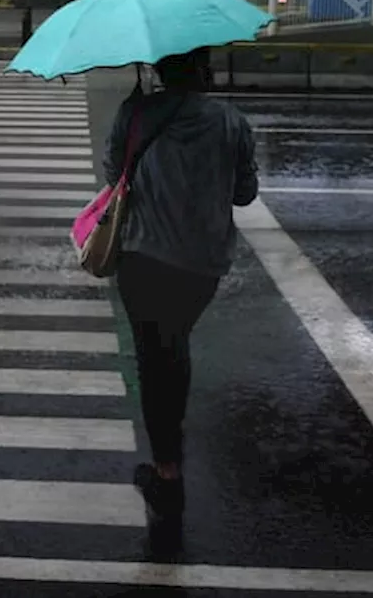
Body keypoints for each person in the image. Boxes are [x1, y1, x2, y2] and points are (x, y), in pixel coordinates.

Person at [102, 47, 259, 534]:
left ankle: (167, 472)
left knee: (154, 358)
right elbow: (244, 194)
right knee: (175, 347)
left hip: (144, 258)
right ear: (201, 67)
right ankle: (170, 463)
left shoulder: (137, 112)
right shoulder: (231, 121)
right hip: (202, 264)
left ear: (158, 68)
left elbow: (114, 177)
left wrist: (137, 122)